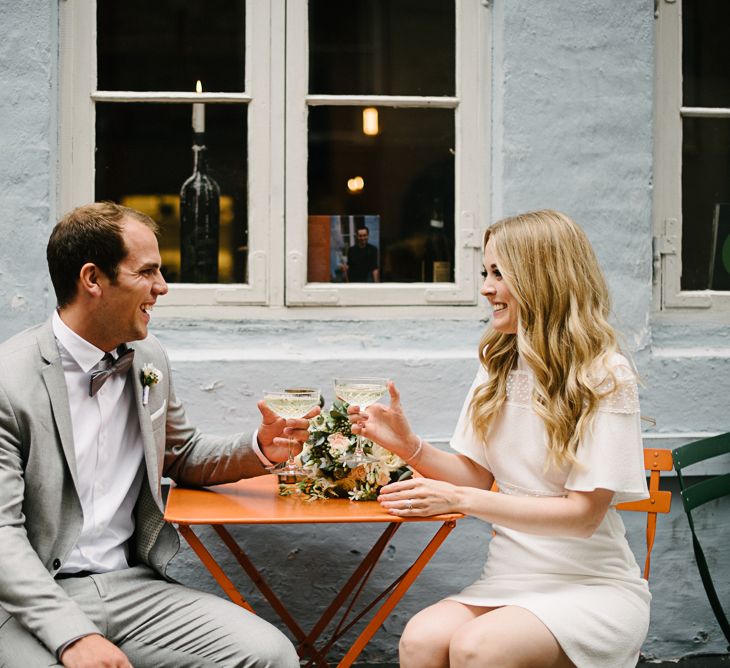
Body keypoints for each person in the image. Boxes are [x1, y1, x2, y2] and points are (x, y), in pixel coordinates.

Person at [0, 202, 316, 668]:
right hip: (30, 600)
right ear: (93, 279)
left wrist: (260, 448)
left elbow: (182, 454)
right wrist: (73, 638)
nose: (162, 288)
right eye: (147, 272)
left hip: (134, 587)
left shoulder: (148, 357)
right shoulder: (9, 380)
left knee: (271, 656)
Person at [348, 210, 651, 668]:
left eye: (498, 274)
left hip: (591, 584)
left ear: (541, 278)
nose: (486, 288)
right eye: (485, 273)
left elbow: (583, 516)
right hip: (510, 578)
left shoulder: (604, 374)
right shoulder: (498, 366)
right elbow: (474, 474)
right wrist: (409, 445)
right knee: (420, 640)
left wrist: (460, 499)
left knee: (478, 647)